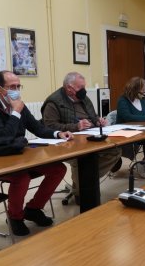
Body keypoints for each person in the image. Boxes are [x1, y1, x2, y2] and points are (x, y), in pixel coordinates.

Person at [0, 70, 73, 236]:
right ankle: (15, 217)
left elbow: (37, 128)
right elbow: (3, 137)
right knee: (21, 178)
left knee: (58, 169)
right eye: (12, 87)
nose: (16, 90)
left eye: (18, 86)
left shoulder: (19, 105)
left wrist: (57, 134)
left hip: (19, 155)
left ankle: (33, 209)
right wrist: (15, 112)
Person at [42, 72, 122, 204]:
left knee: (115, 151)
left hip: (90, 137)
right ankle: (82, 189)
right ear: (69, 88)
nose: (83, 90)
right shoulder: (54, 102)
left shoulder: (84, 98)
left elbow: (93, 115)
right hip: (68, 142)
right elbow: (49, 126)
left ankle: (83, 182)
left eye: (84, 86)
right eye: (80, 87)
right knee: (83, 159)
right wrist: (75, 126)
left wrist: (98, 121)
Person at [116, 77, 145, 179]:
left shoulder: (142, 100)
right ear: (135, 89)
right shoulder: (123, 100)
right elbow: (128, 117)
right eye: (143, 89)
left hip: (143, 130)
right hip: (126, 131)